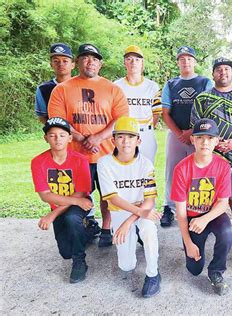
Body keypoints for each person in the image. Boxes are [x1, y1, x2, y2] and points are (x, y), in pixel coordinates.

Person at [48, 43, 129, 248]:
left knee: (108, 195)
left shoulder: (113, 89)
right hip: (74, 156)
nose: (90, 61)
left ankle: (105, 229)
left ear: (100, 64)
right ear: (77, 63)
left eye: (94, 58)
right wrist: (82, 138)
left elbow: (120, 120)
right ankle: (80, 230)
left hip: (107, 154)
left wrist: (98, 138)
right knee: (76, 197)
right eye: (85, 57)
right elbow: (58, 121)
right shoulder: (62, 89)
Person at [191, 57, 232, 239]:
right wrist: (213, 143)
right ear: (213, 74)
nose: (223, 72)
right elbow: (196, 126)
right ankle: (205, 221)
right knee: (206, 188)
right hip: (209, 153)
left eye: (227, 69)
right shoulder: (203, 98)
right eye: (219, 69)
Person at [97, 116, 161, 298]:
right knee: (127, 266)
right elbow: (113, 198)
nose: (126, 141)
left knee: (149, 230)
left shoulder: (145, 164)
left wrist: (133, 219)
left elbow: (149, 200)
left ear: (138, 140)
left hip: (142, 210)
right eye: (121, 136)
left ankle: (153, 274)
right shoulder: (105, 163)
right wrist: (132, 217)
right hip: (120, 211)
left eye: (131, 136)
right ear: (113, 140)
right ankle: (135, 235)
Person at [171, 118, 232, 296]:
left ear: (216, 141)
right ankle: (195, 247)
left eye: (209, 138)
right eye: (199, 137)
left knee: (226, 232)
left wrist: (205, 219)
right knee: (194, 269)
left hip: (212, 214)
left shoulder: (223, 166)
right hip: (190, 218)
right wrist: (188, 243)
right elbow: (181, 212)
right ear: (192, 140)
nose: (205, 142)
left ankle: (216, 271)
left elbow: (223, 203)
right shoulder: (182, 168)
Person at [31, 117, 93, 283]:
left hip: (78, 204)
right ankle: (87, 232)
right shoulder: (38, 162)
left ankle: (80, 261)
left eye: (62, 135)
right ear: (46, 138)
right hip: (69, 202)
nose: (57, 139)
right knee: (66, 252)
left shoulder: (80, 160)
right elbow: (45, 195)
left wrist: (53, 214)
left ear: (70, 138)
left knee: (72, 218)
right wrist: (61, 208)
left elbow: (80, 194)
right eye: (52, 135)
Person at [160, 46, 213, 227]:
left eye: (189, 58)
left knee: (198, 170)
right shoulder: (171, 84)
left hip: (198, 135)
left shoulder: (204, 82)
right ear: (178, 63)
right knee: (172, 170)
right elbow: (165, 113)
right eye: (182, 59)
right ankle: (169, 207)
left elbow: (208, 109)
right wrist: (179, 134)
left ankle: (196, 207)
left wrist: (191, 131)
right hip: (176, 134)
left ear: (194, 61)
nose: (186, 61)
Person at [114, 45, 161, 164]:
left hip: (146, 134)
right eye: (129, 59)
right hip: (125, 135)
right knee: (124, 170)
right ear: (125, 62)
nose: (133, 62)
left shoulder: (152, 86)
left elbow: (156, 114)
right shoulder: (117, 86)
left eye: (137, 59)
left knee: (146, 171)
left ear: (142, 63)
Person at [35, 43, 75, 124]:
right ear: (51, 65)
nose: (60, 64)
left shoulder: (81, 85)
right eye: (56, 61)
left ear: (73, 65)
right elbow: (42, 116)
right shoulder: (43, 89)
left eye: (65, 61)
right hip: (58, 134)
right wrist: (54, 129)